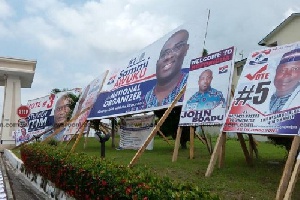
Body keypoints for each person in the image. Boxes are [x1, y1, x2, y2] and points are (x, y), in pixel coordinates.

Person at [144, 29, 190, 108]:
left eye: (177, 48)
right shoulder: (147, 98)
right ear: (157, 63)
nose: (168, 57)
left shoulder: (191, 83)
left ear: (186, 49)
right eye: (163, 54)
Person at [269, 48, 300, 114]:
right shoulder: (264, 98)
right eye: (282, 70)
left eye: (295, 69)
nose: (287, 74)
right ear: (276, 70)